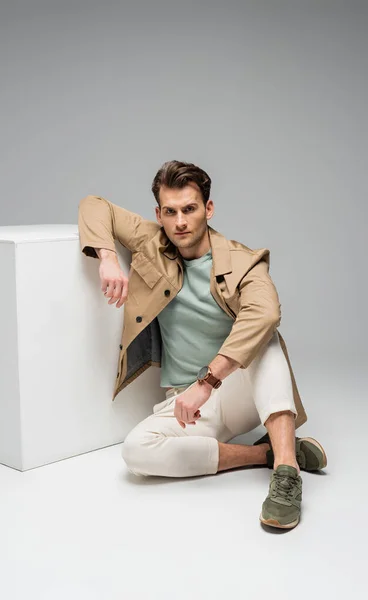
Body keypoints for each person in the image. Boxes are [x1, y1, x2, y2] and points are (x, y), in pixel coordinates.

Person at [78, 160, 327, 530]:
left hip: (231, 388)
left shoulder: (243, 260)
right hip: (187, 405)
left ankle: (287, 472)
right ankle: (263, 453)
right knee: (136, 452)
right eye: (170, 211)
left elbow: (266, 312)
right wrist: (109, 260)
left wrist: (206, 383)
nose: (180, 222)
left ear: (208, 209)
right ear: (158, 214)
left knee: (265, 338)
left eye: (190, 209)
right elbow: (93, 204)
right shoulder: (153, 241)